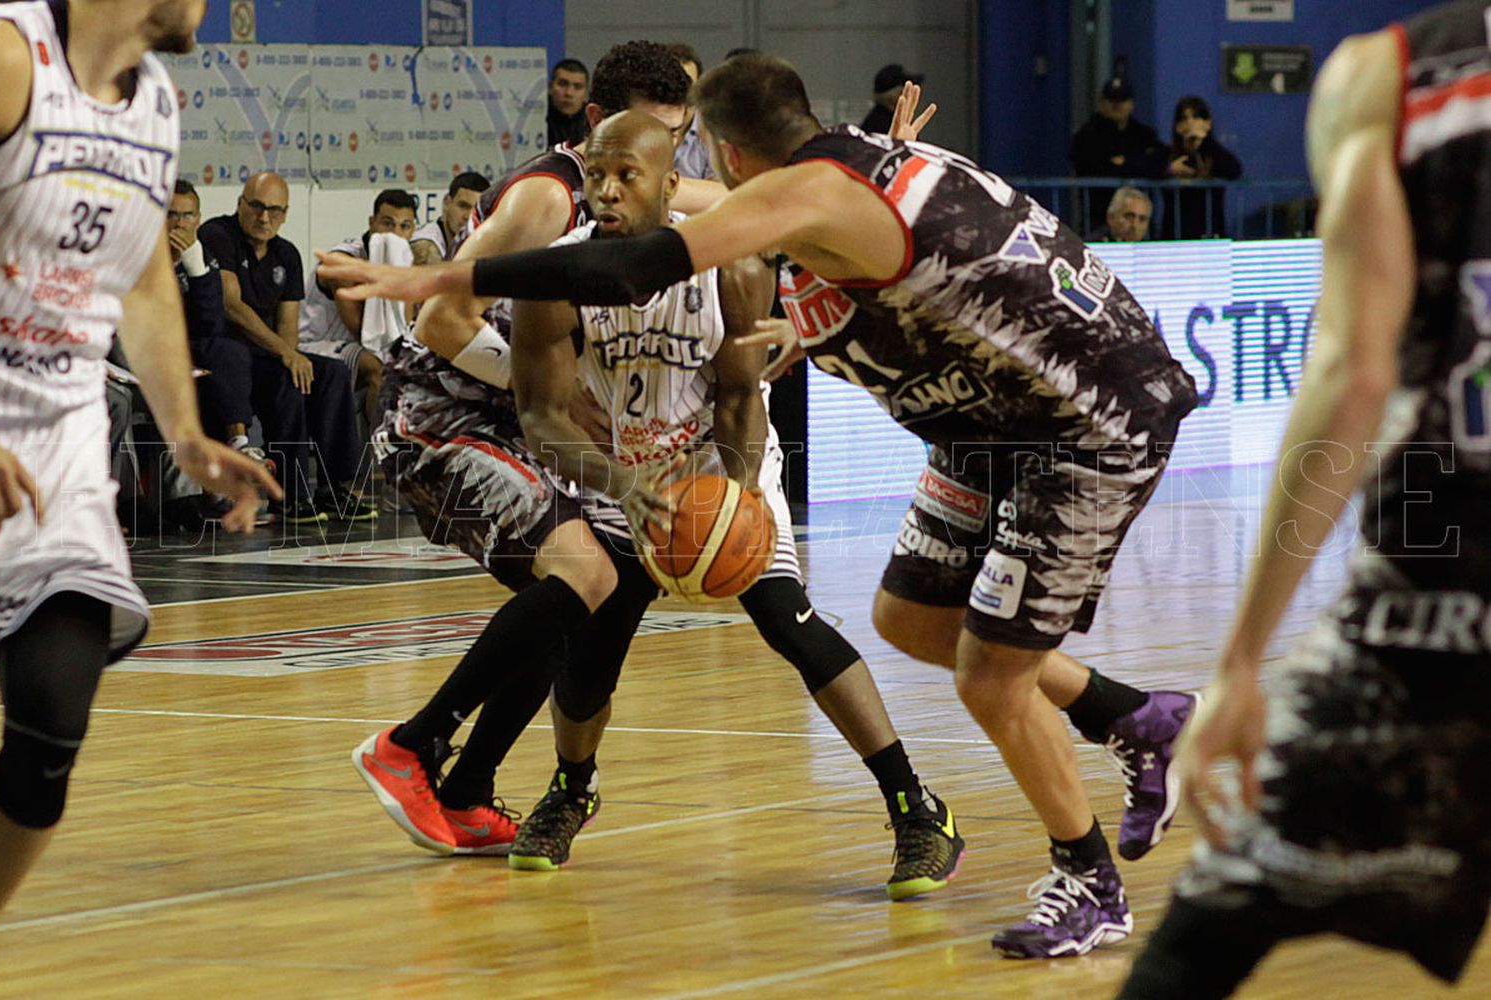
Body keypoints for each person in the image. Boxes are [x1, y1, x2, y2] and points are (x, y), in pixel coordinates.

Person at [321, 53, 1201, 957]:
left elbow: (664, 304)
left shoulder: (783, 211)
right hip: (950, 427)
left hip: (1075, 422)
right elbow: (554, 405)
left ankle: (1067, 870)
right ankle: (1134, 717)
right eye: (608, 172)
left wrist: (438, 281)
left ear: (721, 159)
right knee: (904, 617)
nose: (631, 184)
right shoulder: (844, 164)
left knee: (967, 666)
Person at [1118, 4, 1491, 995]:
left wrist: (1240, 662)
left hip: (1440, 603)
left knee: (1210, 931)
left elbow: (1354, 374)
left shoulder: (1395, 76)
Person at [503, 110, 965, 895]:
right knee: (590, 654)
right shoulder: (552, 275)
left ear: (670, 185)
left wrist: (735, 499)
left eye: (628, 176)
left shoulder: (732, 267)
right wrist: (622, 485)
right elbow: (541, 416)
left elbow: (742, 398)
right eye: (596, 176)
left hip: (721, 464)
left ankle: (917, 808)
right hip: (621, 473)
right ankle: (571, 790)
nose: (608, 191)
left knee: (790, 623)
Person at [350, 40, 708, 860]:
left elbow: (745, 196)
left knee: (594, 594)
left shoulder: (634, 183)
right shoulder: (551, 199)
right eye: (638, 145)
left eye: (670, 147)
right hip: (441, 416)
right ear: (595, 129)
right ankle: (413, 742)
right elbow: (439, 323)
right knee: (586, 574)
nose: (649, 166)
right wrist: (550, 390)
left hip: (517, 423)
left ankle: (470, 791)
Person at [0, 0, 280, 928]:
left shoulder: (153, 101)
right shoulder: (8, 59)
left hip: (59, 441)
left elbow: (144, 271)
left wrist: (186, 431)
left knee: (50, 717)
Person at [199, 172, 376, 524]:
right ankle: (290, 495)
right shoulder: (217, 235)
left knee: (330, 373)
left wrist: (292, 357)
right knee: (285, 383)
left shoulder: (287, 253)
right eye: (258, 207)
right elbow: (232, 305)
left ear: (285, 213)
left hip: (268, 354)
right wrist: (286, 354)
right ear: (240, 204)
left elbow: (289, 324)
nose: (265, 218)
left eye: (275, 211)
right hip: (228, 356)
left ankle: (334, 486)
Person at [299, 188, 419, 420]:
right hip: (315, 345)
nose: (395, 234)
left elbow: (403, 327)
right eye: (388, 223)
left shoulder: (403, 262)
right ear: (372, 223)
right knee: (380, 370)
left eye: (404, 226)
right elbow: (363, 332)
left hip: (355, 346)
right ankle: (381, 450)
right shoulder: (345, 261)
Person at [168, 180, 263, 461]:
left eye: (188, 215)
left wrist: (196, 269)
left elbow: (211, 325)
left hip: (190, 347)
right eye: (172, 214)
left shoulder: (201, 256)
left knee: (229, 351)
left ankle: (239, 441)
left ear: (198, 218)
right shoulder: (141, 256)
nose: (180, 224)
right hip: (149, 348)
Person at [1070, 76, 1167, 226]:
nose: (1117, 105)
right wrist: (1137, 164)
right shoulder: (1087, 136)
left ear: (1131, 104)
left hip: (1138, 221)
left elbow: (1159, 162)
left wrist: (1125, 163)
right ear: (1101, 102)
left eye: (1122, 100)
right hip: (1098, 217)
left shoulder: (1144, 135)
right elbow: (1092, 167)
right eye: (1111, 99)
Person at [1162, 95, 1243, 239]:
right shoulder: (1168, 155)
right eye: (1184, 118)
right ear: (1177, 126)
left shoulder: (1214, 154)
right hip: (1176, 237)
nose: (1190, 123)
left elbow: (1235, 170)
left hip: (1211, 235)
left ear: (1208, 124)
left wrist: (1205, 141)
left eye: (1196, 117)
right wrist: (1170, 170)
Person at [409, 171, 490, 266]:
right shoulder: (426, 244)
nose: (468, 217)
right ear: (447, 203)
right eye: (463, 206)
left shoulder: (481, 241)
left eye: (476, 210)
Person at [667, 41, 715, 181]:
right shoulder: (643, 126)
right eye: (674, 82)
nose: (681, 91)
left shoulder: (713, 129)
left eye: (688, 83)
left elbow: (719, 192)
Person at [862, 63, 921, 135]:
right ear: (892, 94)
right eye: (905, 90)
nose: (910, 96)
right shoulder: (881, 124)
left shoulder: (877, 120)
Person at [546, 57, 590, 148]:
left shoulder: (593, 121)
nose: (569, 93)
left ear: (586, 93)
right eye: (562, 84)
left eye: (577, 87)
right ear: (550, 87)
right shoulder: (536, 117)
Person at [1088, 186, 1152, 243]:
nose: (1134, 225)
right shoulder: (1092, 246)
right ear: (1110, 217)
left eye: (1142, 219)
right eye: (1129, 217)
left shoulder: (1150, 250)